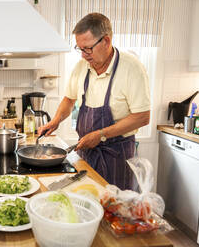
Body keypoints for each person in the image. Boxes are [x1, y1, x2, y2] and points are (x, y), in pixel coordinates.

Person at [38, 13, 150, 190]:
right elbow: (69, 99)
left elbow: (142, 117)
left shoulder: (132, 68)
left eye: (87, 48)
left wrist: (101, 134)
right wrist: (55, 121)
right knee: (86, 201)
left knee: (112, 209)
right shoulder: (82, 67)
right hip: (86, 151)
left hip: (117, 156)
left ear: (106, 41)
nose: (83, 55)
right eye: (80, 48)